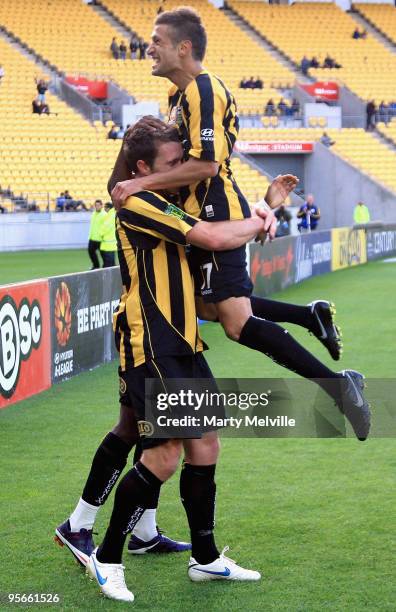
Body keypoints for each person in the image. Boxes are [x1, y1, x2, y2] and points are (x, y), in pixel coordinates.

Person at [109, 8, 370, 442]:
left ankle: (340, 387)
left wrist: (142, 183)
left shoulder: (204, 89)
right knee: (209, 307)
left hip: (213, 215)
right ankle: (311, 317)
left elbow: (209, 165)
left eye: (156, 40)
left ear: (183, 47)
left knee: (233, 321)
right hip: (206, 212)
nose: (148, 47)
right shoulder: (178, 99)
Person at [58, 122, 268, 600]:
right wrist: (262, 220)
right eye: (173, 164)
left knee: (206, 444)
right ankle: (106, 558)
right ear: (141, 168)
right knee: (164, 453)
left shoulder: (161, 198)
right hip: (152, 343)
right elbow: (213, 238)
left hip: (183, 340)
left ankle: (207, 559)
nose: (181, 171)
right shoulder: (138, 201)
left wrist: (263, 209)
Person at [88, 199, 106, 269]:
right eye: (96, 205)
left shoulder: (104, 215)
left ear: (101, 206)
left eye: (98, 205)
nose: (97, 207)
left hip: (100, 238)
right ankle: (96, 266)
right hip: (92, 238)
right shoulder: (93, 214)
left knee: (103, 254)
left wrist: (103, 235)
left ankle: (105, 267)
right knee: (91, 252)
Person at [99, 202, 117, 266]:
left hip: (108, 244)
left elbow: (106, 227)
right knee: (111, 263)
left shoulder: (110, 216)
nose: (104, 209)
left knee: (108, 264)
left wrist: (100, 233)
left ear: (108, 208)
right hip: (111, 243)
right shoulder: (113, 214)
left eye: (105, 207)